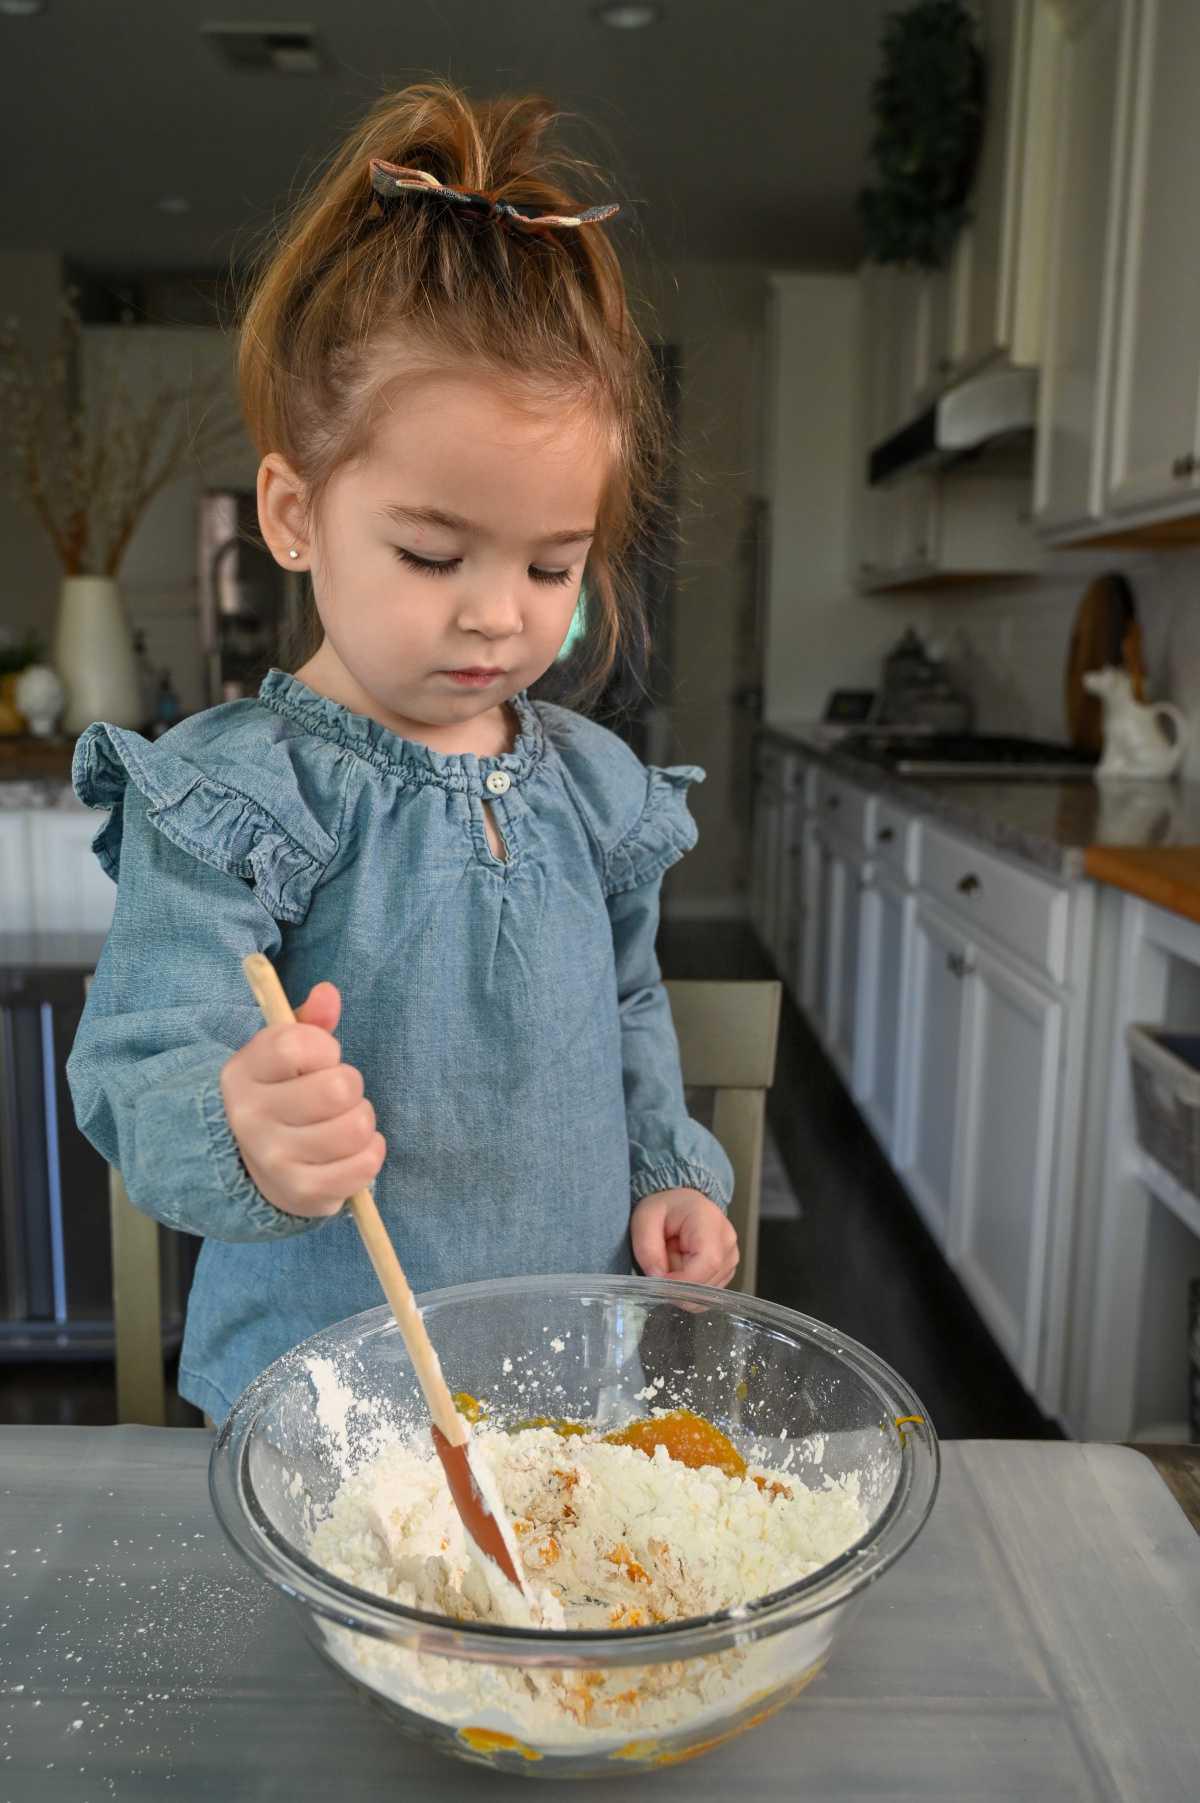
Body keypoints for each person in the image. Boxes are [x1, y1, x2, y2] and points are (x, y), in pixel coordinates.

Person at [67, 81, 736, 1430]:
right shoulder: (235, 800)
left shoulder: (595, 796)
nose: (497, 610)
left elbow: (625, 1010)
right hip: (319, 1415)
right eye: (434, 554)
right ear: (296, 513)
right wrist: (242, 1129)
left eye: (552, 564)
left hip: (570, 1397)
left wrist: (673, 1174)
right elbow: (137, 1065)